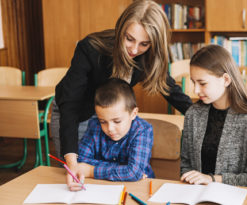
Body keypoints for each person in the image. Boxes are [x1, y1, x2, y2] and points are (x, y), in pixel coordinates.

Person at [50, 0, 192, 190]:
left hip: (111, 113)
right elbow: (70, 104)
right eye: (129, 39)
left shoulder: (149, 56)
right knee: (78, 178)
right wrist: (73, 162)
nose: (134, 50)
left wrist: (202, 115)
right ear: (121, 29)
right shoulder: (90, 48)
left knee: (98, 174)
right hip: (76, 112)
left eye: (144, 43)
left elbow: (171, 90)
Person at [180, 45, 247, 186]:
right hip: (196, 196)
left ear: (226, 80)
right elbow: (185, 164)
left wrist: (212, 179)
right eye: (193, 82)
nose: (196, 90)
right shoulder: (193, 114)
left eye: (202, 83)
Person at [77, 78, 154, 182]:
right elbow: (80, 161)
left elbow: (133, 173)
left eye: (117, 121)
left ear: (133, 113)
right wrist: (124, 168)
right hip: (102, 186)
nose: (110, 129)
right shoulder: (94, 125)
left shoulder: (142, 130)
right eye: (103, 121)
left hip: (139, 186)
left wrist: (91, 171)